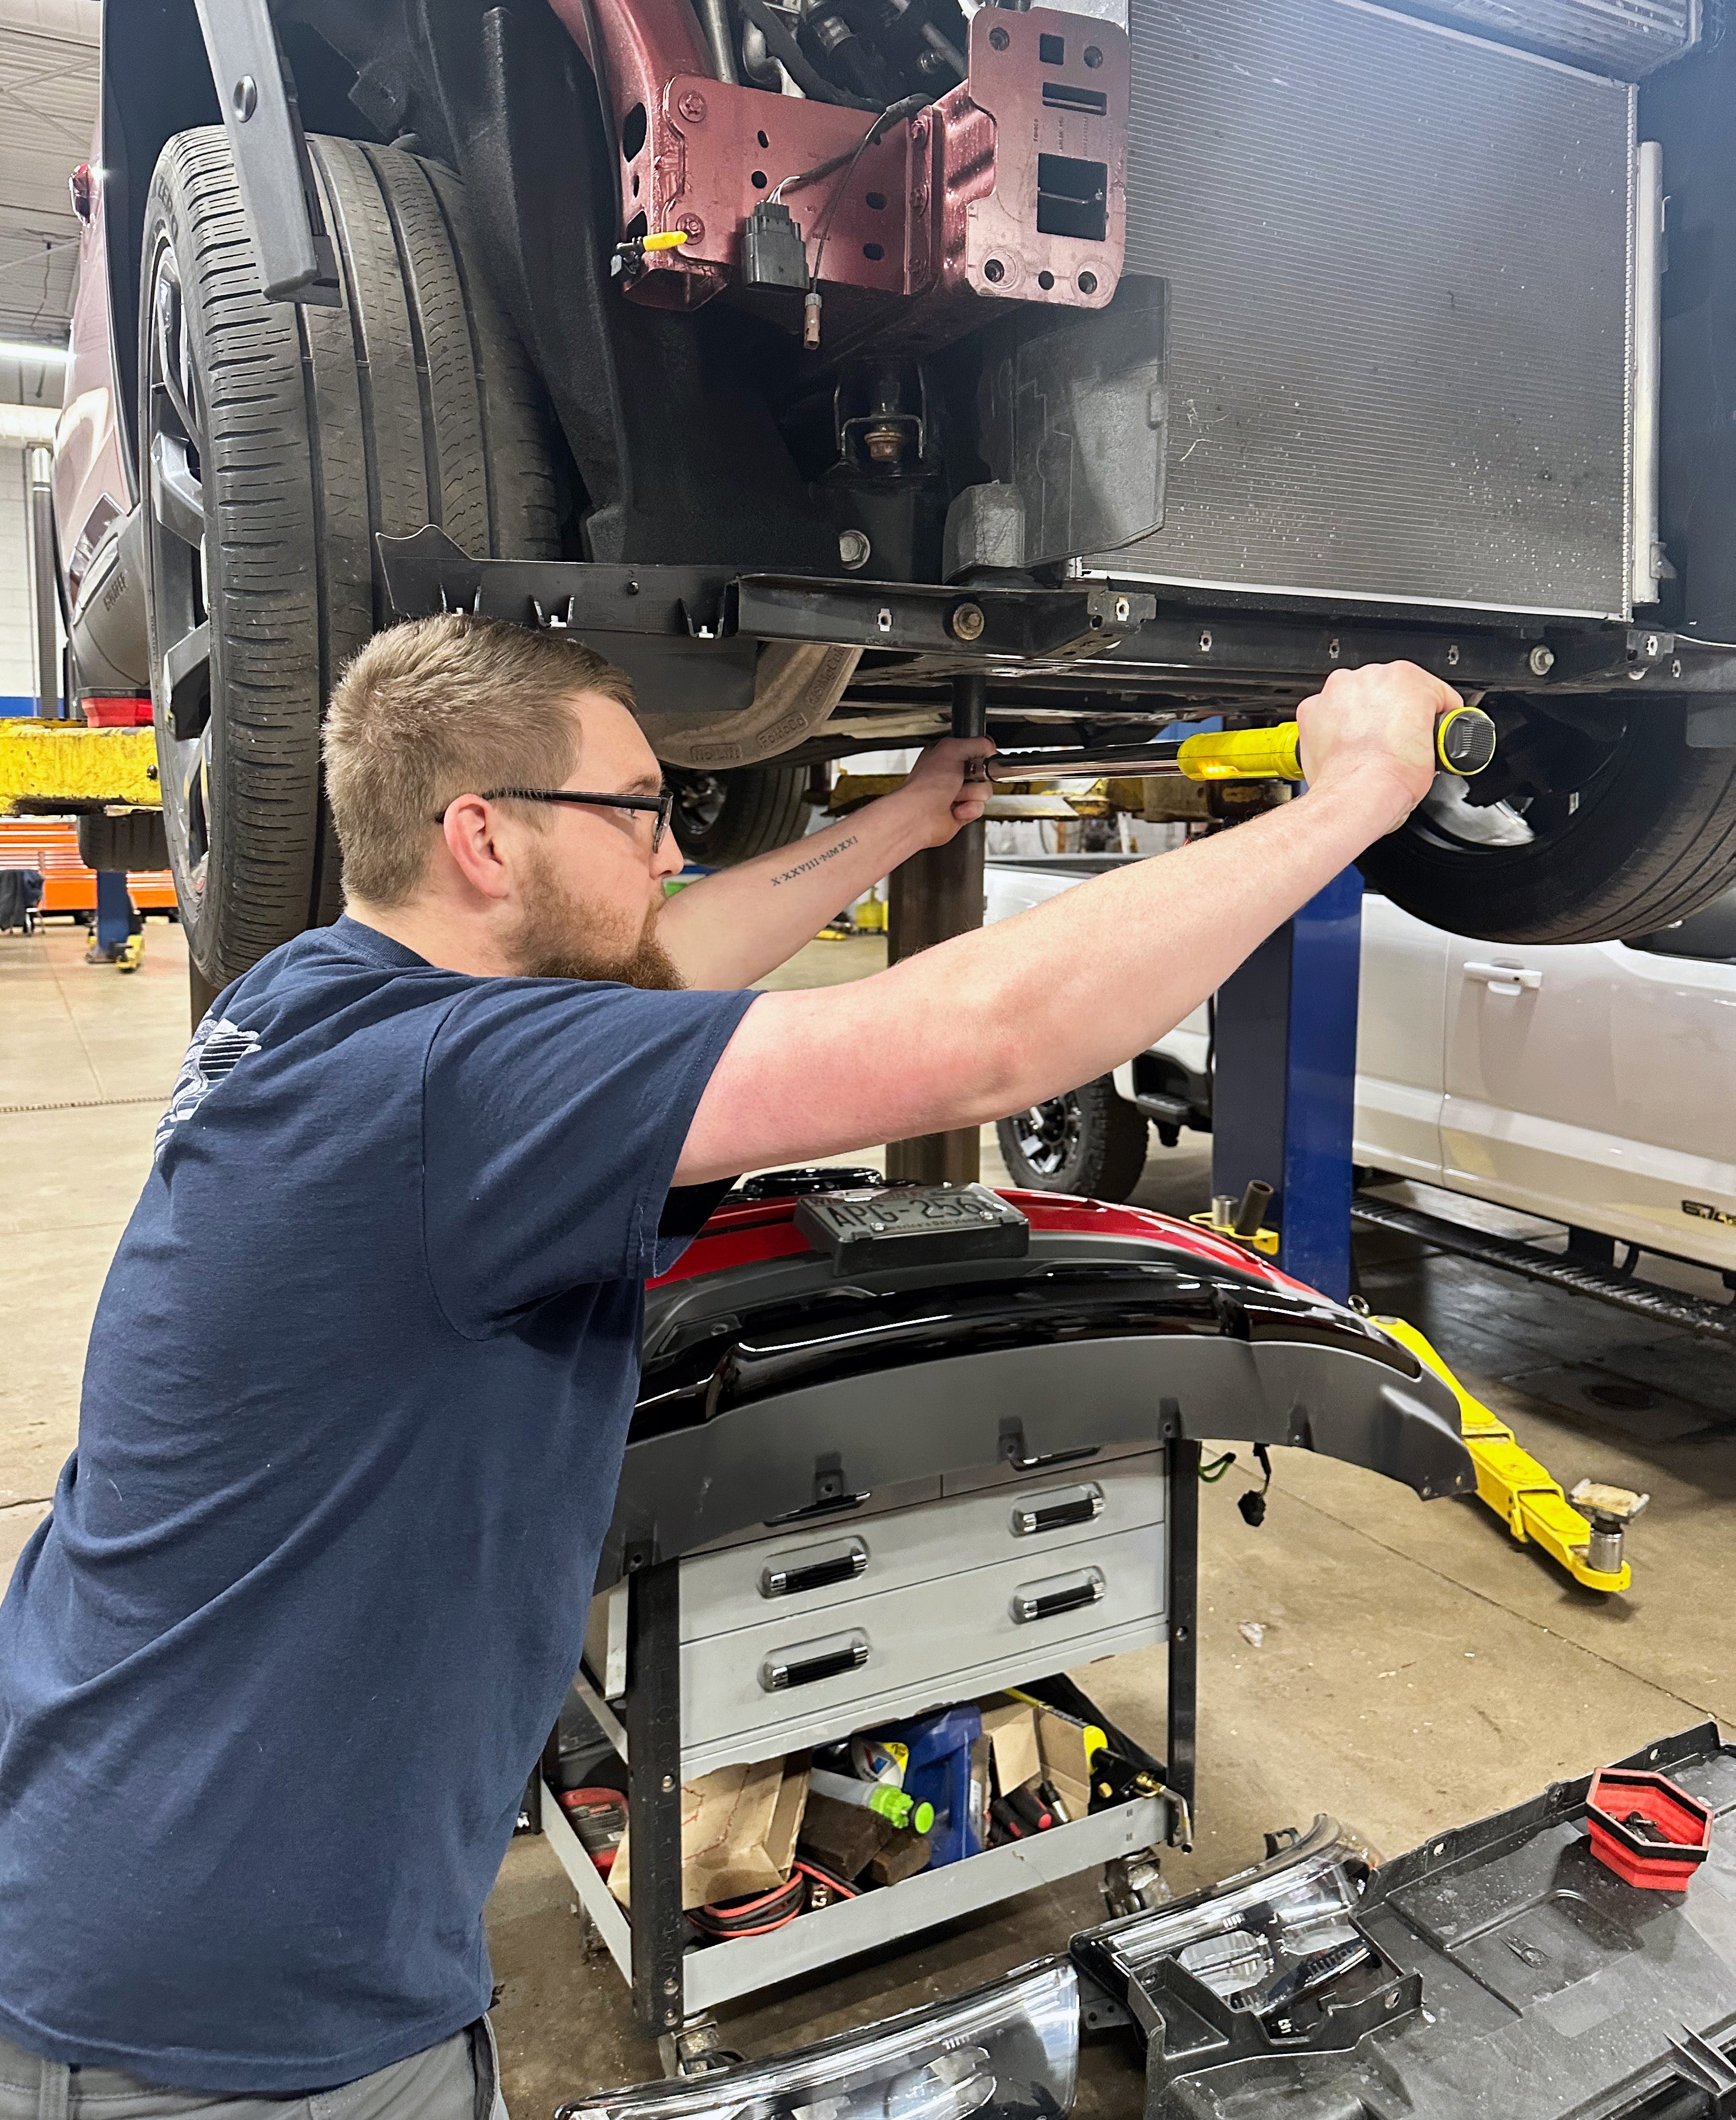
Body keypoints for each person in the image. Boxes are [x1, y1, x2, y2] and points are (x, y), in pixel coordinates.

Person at [0, 613, 1458, 2120]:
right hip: (222, 2025)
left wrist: (904, 817)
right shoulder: (457, 1091)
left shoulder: (313, 1001)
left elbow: (670, 959)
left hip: (124, 1857)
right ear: (484, 836)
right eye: (640, 810)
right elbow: (983, 1038)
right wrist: (1346, 796)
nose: (665, 849)